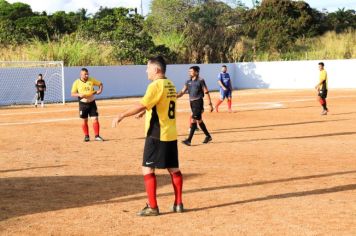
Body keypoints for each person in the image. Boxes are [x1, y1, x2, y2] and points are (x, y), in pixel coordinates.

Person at [112, 56, 183, 217]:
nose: (146, 71)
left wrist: (121, 115)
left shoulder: (155, 85)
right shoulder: (169, 84)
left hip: (156, 134)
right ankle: (178, 203)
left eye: (148, 68)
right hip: (170, 133)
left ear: (156, 70)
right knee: (173, 169)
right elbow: (160, 104)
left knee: (147, 168)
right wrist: (146, 111)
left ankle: (152, 206)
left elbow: (141, 104)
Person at [177, 66, 213, 146]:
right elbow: (182, 91)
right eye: (189, 71)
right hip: (192, 103)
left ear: (196, 72)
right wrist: (175, 96)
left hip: (198, 102)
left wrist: (210, 104)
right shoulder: (188, 81)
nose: (189, 73)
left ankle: (189, 140)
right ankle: (208, 136)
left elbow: (206, 92)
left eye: (191, 71)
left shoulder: (201, 81)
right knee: (199, 120)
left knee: (193, 120)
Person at [71, 68, 104, 142]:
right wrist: (79, 94)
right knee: (84, 121)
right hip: (83, 104)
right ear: (81, 74)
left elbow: (100, 84)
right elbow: (72, 93)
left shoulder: (91, 79)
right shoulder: (76, 82)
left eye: (87, 74)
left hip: (92, 102)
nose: (87, 75)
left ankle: (97, 136)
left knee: (95, 119)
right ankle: (86, 136)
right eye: (85, 74)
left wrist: (100, 90)